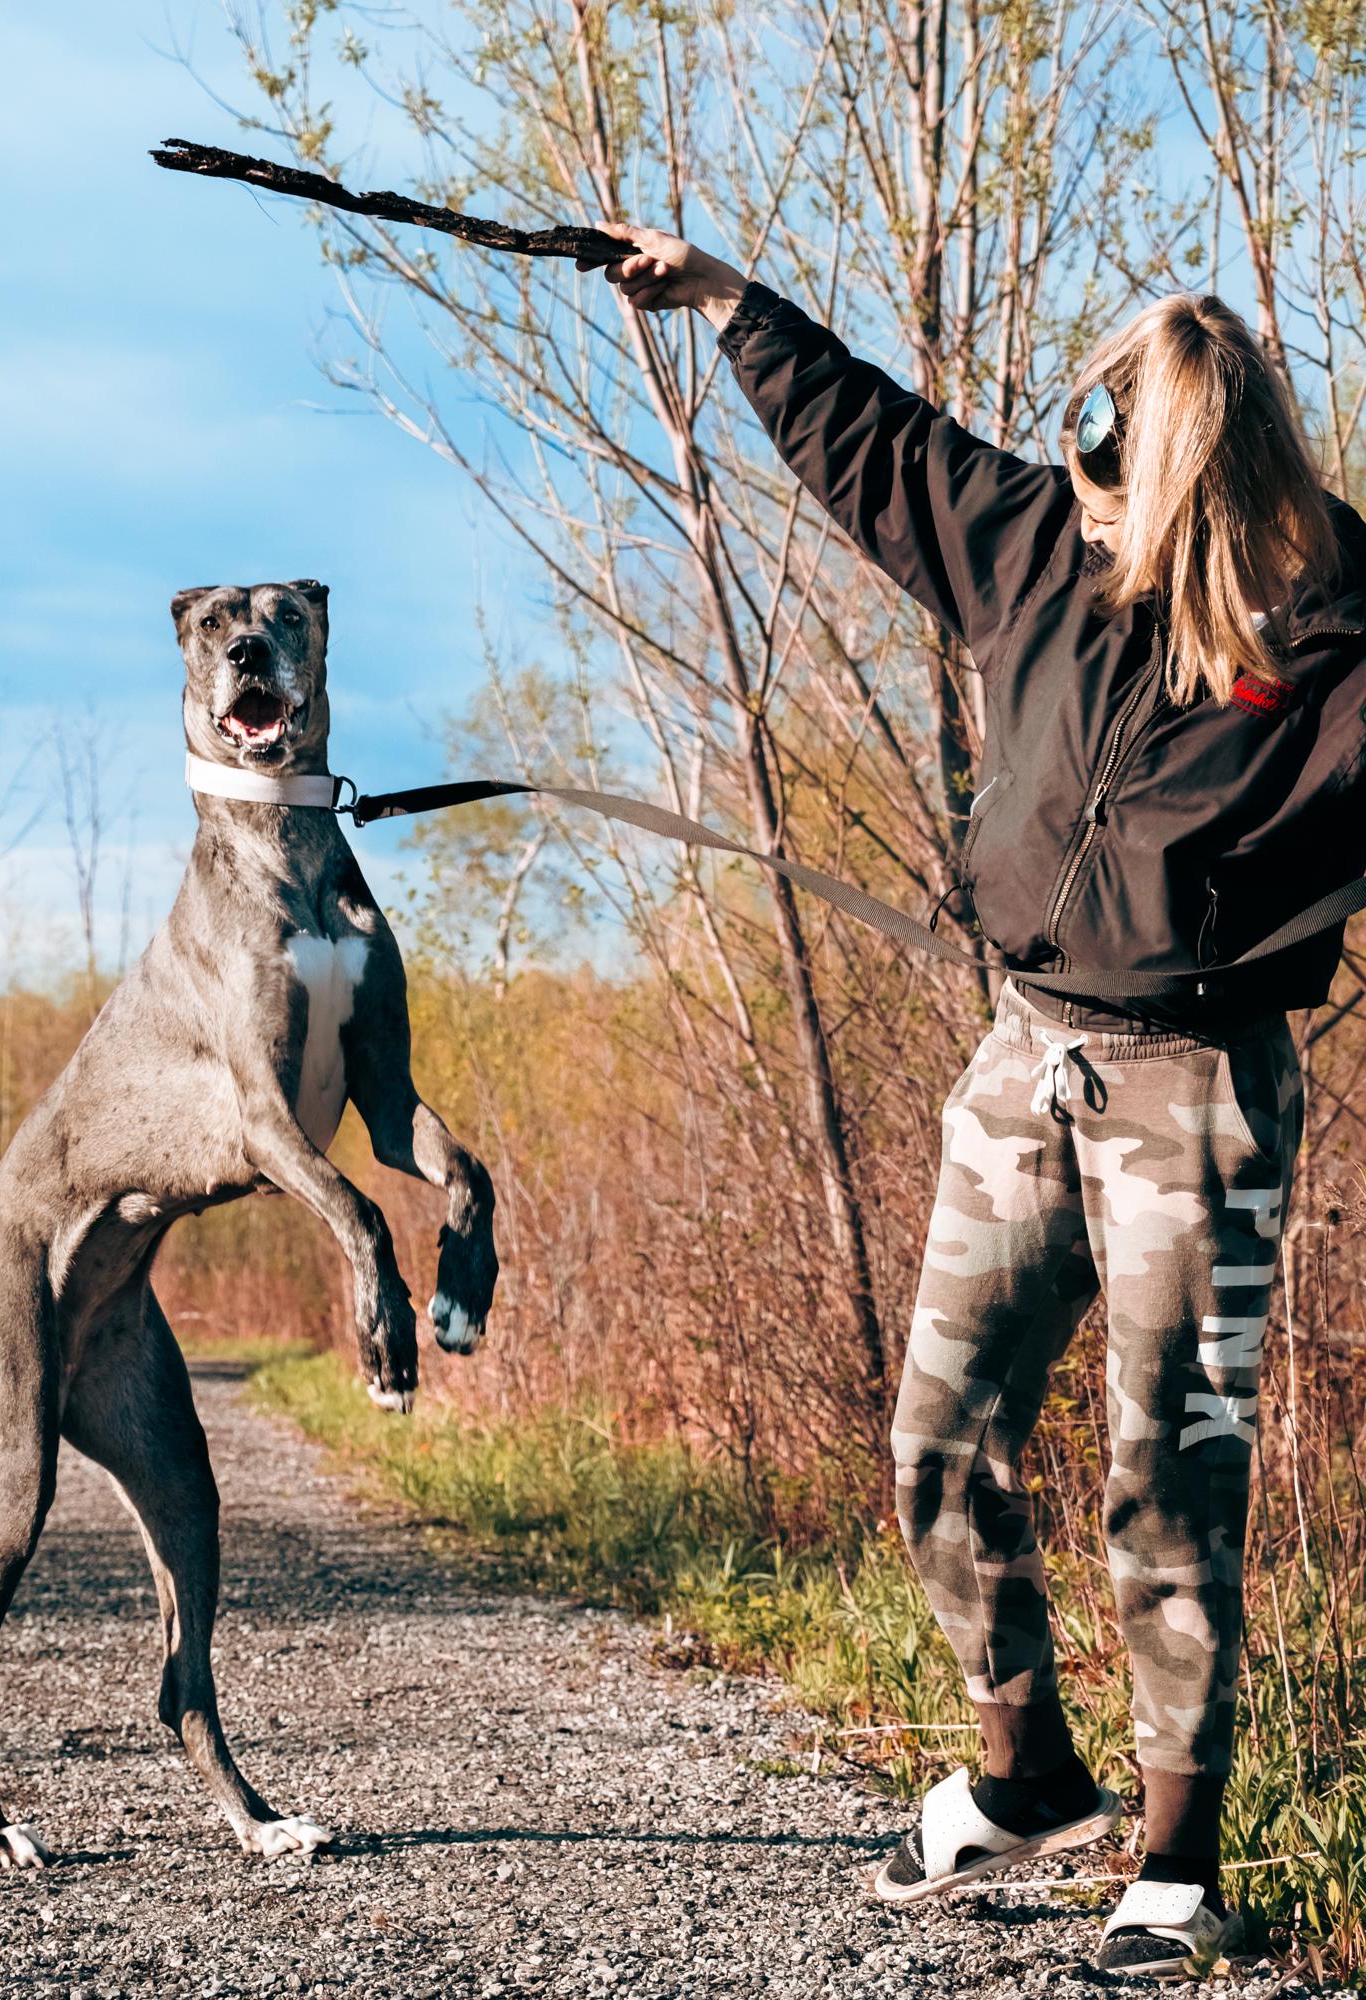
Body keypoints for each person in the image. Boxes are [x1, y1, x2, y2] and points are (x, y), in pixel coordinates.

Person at [585, 221, 1366, 1977]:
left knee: (1169, 1477)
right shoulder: (1032, 546)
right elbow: (874, 441)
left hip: (1196, 1093)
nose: (1081, 474)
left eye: (1114, 451)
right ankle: (1026, 1776)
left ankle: (1178, 1865)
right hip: (1027, 1057)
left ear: (1191, 466)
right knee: (938, 1441)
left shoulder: (1334, 629)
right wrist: (730, 305)